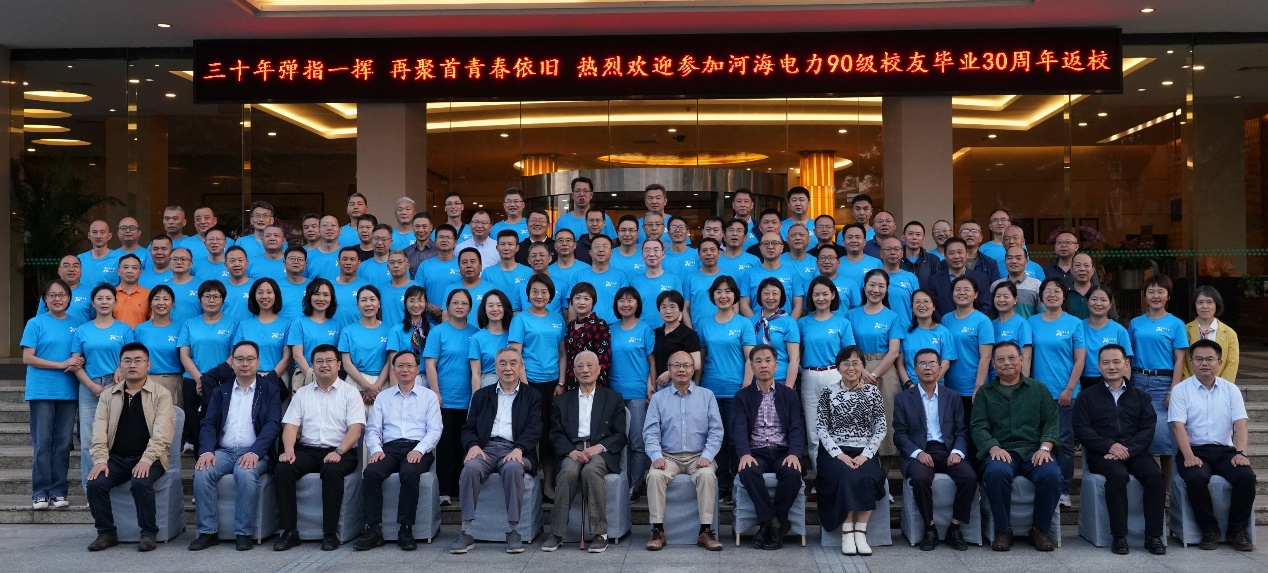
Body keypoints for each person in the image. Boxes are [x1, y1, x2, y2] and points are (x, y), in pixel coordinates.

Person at [81, 342, 175, 555]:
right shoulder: (108, 395)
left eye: (138, 361)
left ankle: (148, 533)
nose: (132, 365)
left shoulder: (161, 394)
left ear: (148, 365)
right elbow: (99, 430)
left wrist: (147, 460)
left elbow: (162, 434)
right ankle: (106, 533)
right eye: (127, 361)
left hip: (151, 457)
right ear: (120, 365)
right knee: (95, 483)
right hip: (116, 457)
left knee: (140, 482)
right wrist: (100, 460)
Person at [1072, 344, 1166, 556]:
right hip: (1102, 453)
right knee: (1117, 475)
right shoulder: (1086, 396)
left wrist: (1127, 449)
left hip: (1135, 451)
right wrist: (1109, 446)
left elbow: (1147, 429)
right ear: (1099, 366)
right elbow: (1082, 429)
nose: (1111, 367)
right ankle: (1119, 536)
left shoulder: (1141, 396)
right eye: (1106, 363)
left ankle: (1154, 536)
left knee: (1154, 475)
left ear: (1126, 364)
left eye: (1116, 362)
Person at [189, 341, 283, 552]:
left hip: (255, 452)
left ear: (258, 362)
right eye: (239, 359)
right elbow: (208, 423)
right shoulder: (221, 391)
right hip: (224, 451)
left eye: (250, 359)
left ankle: (243, 533)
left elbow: (272, 425)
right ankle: (208, 532)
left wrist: (255, 452)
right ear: (231, 362)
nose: (245, 363)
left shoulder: (269, 390)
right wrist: (206, 451)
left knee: (246, 472)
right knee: (202, 471)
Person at [449, 348, 543, 555]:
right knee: (470, 468)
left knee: (513, 469)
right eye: (502, 363)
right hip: (485, 448)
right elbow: (468, 428)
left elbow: (534, 429)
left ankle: (513, 531)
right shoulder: (482, 395)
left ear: (521, 367)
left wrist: (519, 448)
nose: (507, 368)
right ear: (495, 367)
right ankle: (466, 531)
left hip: (516, 449)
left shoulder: (532, 396)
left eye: (513, 363)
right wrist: (473, 446)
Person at [273, 344, 366, 552]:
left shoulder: (350, 393)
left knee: (332, 471)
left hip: (341, 450)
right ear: (312, 366)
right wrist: (289, 450)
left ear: (339, 365)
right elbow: (290, 426)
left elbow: (355, 430)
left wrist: (339, 451)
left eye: (329, 361)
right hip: (307, 449)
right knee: (283, 468)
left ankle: (330, 533)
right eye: (319, 361)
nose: (324, 365)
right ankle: (289, 531)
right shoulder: (302, 394)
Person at [972, 341, 1061, 552]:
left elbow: (1051, 422)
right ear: (993, 364)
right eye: (1001, 359)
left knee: (1051, 474)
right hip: (1002, 451)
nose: (1007, 363)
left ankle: (1040, 530)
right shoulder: (985, 392)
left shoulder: (1038, 389)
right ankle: (1003, 531)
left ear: (1021, 360)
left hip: (1034, 450)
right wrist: (993, 448)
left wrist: (1045, 447)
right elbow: (977, 426)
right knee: (996, 472)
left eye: (1012, 357)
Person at [1170, 339, 1256, 551]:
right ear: (1191, 362)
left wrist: (1241, 452)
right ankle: (1209, 529)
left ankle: (1237, 530)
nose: (1204, 363)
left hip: (1225, 451)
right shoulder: (1181, 390)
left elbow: (1241, 423)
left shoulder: (1231, 390)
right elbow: (1177, 426)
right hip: (1194, 450)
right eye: (1198, 359)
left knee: (1246, 477)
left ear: (1219, 362)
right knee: (1196, 477)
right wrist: (1188, 455)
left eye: (1209, 359)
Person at [353, 350, 443, 552]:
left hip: (418, 447)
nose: (405, 369)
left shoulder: (428, 396)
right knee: (371, 472)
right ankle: (373, 530)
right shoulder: (383, 397)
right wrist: (376, 450)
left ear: (417, 369)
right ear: (393, 369)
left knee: (409, 472)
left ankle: (406, 529)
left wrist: (419, 450)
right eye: (400, 366)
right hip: (390, 449)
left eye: (410, 366)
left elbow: (435, 429)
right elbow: (373, 429)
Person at [539, 351, 628, 553]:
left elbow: (620, 435)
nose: (585, 370)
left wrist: (598, 448)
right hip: (572, 450)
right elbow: (555, 434)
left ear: (599, 369)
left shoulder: (613, 398)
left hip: (600, 451)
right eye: (580, 366)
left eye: (590, 365)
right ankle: (556, 533)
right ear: (573, 371)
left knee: (591, 471)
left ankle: (600, 533)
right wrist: (570, 451)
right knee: (568, 472)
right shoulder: (562, 401)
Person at [892, 348, 976, 552]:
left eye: (932, 364)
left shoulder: (952, 396)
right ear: (914, 370)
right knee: (920, 478)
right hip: (920, 450)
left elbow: (961, 430)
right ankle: (929, 528)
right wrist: (917, 453)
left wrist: (957, 452)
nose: (927, 368)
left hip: (947, 450)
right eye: (922, 364)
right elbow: (899, 434)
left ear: (940, 369)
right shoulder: (903, 399)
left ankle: (955, 527)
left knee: (970, 477)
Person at [643, 350, 725, 551]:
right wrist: (656, 456)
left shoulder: (707, 396)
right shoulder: (658, 398)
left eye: (686, 365)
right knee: (654, 476)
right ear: (668, 369)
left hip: (698, 456)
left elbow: (716, 431)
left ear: (693, 369)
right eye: (676, 365)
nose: (681, 369)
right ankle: (657, 531)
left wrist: (707, 456)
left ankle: (705, 531)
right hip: (668, 457)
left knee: (706, 475)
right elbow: (650, 432)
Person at [733, 345, 805, 550]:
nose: (763, 365)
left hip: (783, 451)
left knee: (792, 473)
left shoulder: (789, 395)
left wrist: (794, 453)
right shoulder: (742, 396)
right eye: (758, 361)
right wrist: (744, 454)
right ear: (751, 366)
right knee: (748, 471)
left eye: (768, 360)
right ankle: (775, 523)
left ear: (776, 365)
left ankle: (770, 523)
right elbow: (739, 429)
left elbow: (797, 427)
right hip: (756, 452)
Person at [817, 346, 888, 557]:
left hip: (864, 449)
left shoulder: (872, 392)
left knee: (868, 475)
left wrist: (866, 454)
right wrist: (839, 454)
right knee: (845, 475)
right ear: (838, 367)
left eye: (856, 363)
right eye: (846, 363)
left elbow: (881, 427)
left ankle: (860, 532)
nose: (851, 368)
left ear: (863, 367)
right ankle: (847, 532)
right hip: (835, 450)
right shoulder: (828, 392)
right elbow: (821, 428)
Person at [22, 279, 83, 510]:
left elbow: (82, 352)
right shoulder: (35, 323)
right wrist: (61, 364)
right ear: (45, 300)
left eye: (62, 295)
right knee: (43, 442)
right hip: (42, 390)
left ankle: (58, 491)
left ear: (69, 299)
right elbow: (28, 357)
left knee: (63, 443)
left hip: (68, 390)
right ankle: (40, 492)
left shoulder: (78, 324)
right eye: (52, 295)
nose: (57, 299)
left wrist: (79, 360)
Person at [508, 274, 568, 500]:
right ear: (528, 294)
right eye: (534, 291)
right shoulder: (520, 319)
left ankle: (549, 484)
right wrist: (524, 384)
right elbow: (515, 354)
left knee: (550, 435)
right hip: (529, 381)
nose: (539, 296)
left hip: (553, 383)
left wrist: (561, 382)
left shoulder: (557, 319)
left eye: (544, 292)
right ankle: (529, 484)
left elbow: (563, 353)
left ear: (551, 295)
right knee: (532, 433)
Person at [71, 284, 135, 493]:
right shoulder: (82, 330)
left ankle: (114, 488)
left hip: (119, 385)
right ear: (93, 303)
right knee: (88, 439)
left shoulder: (124, 329)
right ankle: (91, 489)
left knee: (118, 436)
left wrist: (117, 375)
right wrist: (93, 387)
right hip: (89, 385)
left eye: (109, 298)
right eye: (100, 298)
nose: (104, 302)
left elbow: (131, 359)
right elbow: (75, 363)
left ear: (115, 302)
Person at [1127, 273, 1188, 492]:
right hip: (1138, 380)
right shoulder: (1135, 323)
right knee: (1139, 436)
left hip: (1163, 383)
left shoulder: (1176, 324)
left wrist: (1174, 390)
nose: (1155, 295)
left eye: (1160, 291)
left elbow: (1180, 359)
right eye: (1151, 291)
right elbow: (1128, 356)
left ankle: (1166, 492)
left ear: (1168, 296)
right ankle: (1146, 490)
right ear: (1144, 295)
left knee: (1164, 441)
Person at [698, 275, 756, 502]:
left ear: (735, 296)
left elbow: (750, 358)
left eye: (728, 291)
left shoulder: (744, 323)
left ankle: (737, 483)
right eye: (719, 291)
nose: (723, 296)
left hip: (736, 390)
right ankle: (721, 485)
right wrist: (697, 386)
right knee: (716, 440)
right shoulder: (704, 323)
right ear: (713, 296)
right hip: (710, 389)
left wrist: (745, 387)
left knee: (734, 438)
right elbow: (701, 359)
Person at [1028, 278, 1085, 506]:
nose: (1052, 294)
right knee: (1038, 441)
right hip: (1038, 394)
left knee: (1064, 444)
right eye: (1047, 291)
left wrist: (1069, 389)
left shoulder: (1074, 323)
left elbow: (1080, 359)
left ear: (1064, 296)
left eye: (1057, 291)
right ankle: (1043, 485)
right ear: (1041, 296)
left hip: (1066, 393)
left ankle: (1063, 490)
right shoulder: (1031, 322)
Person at [423, 289, 479, 504]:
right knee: (445, 446)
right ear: (448, 306)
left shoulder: (476, 333)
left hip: (469, 399)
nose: (459, 307)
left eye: (464, 303)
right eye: (455, 303)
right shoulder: (438, 332)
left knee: (463, 445)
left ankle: (462, 490)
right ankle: (444, 490)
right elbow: (430, 364)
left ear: (470, 307)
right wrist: (436, 392)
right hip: (444, 399)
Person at [797, 277, 854, 472]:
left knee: (839, 429)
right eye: (816, 295)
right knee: (814, 433)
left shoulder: (842, 323)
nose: (820, 298)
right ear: (811, 297)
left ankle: (840, 475)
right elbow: (797, 353)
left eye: (824, 294)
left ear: (833, 295)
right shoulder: (802, 323)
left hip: (835, 376)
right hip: (810, 377)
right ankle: (821, 479)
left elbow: (849, 354)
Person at [847, 269, 904, 458]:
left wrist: (874, 374)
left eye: (881, 286)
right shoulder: (851, 315)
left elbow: (894, 351)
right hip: (855, 369)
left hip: (885, 371)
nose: (876, 290)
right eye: (872, 285)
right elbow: (848, 346)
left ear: (886, 289)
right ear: (864, 287)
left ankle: (884, 470)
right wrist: (860, 370)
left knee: (886, 419)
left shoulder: (893, 316)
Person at [608, 287, 656, 501]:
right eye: (621, 300)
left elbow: (651, 361)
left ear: (637, 304)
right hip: (613, 394)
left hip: (637, 393)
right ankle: (620, 483)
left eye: (630, 300)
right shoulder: (610, 329)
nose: (626, 304)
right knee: (617, 441)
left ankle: (636, 484)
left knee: (637, 441)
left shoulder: (645, 329)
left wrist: (651, 385)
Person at [177, 280, 234, 452]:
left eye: (216, 296)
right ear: (200, 300)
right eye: (207, 296)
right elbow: (184, 355)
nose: (211, 300)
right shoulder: (189, 324)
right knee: (196, 422)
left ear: (223, 300)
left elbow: (235, 355)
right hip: (193, 380)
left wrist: (212, 379)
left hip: (223, 380)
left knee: (222, 421)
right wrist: (201, 380)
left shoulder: (234, 323)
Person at [940, 276, 996, 434]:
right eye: (957, 289)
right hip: (949, 386)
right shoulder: (946, 319)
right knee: (952, 431)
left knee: (972, 431)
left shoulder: (982, 321)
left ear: (976, 294)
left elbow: (986, 357)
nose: (962, 293)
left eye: (966, 289)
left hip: (971, 387)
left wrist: (978, 387)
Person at [339, 285, 393, 405]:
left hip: (382, 384)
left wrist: (376, 387)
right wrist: (367, 387)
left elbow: (390, 362)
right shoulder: (347, 331)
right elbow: (346, 363)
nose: (368, 304)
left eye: (372, 299)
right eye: (363, 300)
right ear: (358, 305)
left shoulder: (390, 330)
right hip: (355, 382)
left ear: (379, 303)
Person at [133, 285, 183, 408]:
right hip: (146, 381)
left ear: (173, 303)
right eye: (156, 299)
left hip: (173, 381)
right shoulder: (140, 329)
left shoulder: (181, 328)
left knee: (172, 418)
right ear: (150, 303)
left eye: (166, 299)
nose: (161, 303)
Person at [234, 278, 293, 380]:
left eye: (269, 292)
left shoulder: (286, 324)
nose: (264, 296)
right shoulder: (244, 325)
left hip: (277, 377)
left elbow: (287, 357)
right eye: (260, 293)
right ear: (254, 296)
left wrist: (270, 379)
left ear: (276, 295)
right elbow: (236, 355)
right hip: (248, 378)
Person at [287, 279, 340, 389]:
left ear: (331, 298)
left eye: (326, 295)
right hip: (304, 375)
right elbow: (297, 354)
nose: (321, 298)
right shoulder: (299, 323)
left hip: (330, 377)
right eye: (316, 294)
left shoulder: (336, 325)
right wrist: (312, 375)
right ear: (309, 296)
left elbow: (338, 356)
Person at [566, 235, 629, 325]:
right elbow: (572, 305)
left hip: (614, 327)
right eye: (597, 246)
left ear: (611, 252)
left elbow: (625, 304)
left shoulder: (621, 276)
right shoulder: (579, 275)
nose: (601, 250)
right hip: (585, 327)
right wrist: (572, 328)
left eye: (605, 246)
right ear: (590, 252)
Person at [750, 278, 801, 389]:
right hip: (756, 381)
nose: (770, 297)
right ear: (759, 296)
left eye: (775, 293)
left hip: (781, 380)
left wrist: (788, 388)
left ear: (781, 296)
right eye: (766, 293)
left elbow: (794, 358)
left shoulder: (789, 322)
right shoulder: (750, 321)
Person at [898, 290, 956, 387]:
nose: (921, 305)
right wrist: (909, 384)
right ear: (912, 306)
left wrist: (929, 384)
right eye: (917, 302)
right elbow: (900, 363)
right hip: (910, 387)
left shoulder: (943, 332)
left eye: (926, 301)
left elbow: (946, 363)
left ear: (934, 307)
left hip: (936, 386)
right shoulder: (905, 332)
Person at [1081, 286, 1134, 390]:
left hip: (1112, 380)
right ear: (1087, 302)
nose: (1098, 303)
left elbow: (1126, 363)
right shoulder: (1078, 327)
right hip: (1082, 380)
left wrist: (1124, 390)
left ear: (1110, 305)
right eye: (1094, 299)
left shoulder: (1119, 330)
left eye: (1103, 300)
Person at [1183, 285, 1239, 382]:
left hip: (1220, 386)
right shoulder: (1184, 330)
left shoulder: (1229, 333)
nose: (1205, 306)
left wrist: (1221, 386)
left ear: (1216, 305)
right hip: (1190, 386)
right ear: (1194, 305)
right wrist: (1189, 384)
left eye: (1209, 302)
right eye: (1200, 302)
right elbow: (1181, 361)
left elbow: (1232, 363)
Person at [741, 232, 804, 318]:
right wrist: (757, 323)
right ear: (760, 248)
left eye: (775, 243)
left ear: (782, 248)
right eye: (766, 243)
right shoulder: (749, 273)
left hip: (785, 324)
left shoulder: (793, 273)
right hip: (757, 324)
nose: (770, 246)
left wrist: (789, 323)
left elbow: (798, 306)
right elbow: (744, 305)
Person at [564, 281, 613, 392]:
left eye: (586, 299)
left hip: (593, 383)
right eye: (577, 298)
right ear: (571, 301)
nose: (581, 302)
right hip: (572, 381)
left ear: (593, 302)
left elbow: (604, 360)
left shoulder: (599, 324)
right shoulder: (571, 326)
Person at [927, 237, 992, 317]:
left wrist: (971, 322)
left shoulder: (981, 278)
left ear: (967, 254)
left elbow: (985, 306)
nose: (956, 256)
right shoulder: (934, 280)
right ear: (945, 256)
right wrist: (944, 322)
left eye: (960, 252)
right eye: (951, 253)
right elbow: (931, 307)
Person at [630, 238, 684, 329]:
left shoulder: (674, 279)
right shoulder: (634, 282)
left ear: (663, 254)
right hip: (642, 330)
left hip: (667, 331)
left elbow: (680, 308)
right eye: (647, 250)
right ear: (642, 255)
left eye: (656, 250)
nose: (651, 254)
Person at [388, 285, 430, 386]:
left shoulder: (433, 330)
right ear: (405, 304)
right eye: (411, 301)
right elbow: (393, 363)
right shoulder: (396, 330)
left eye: (420, 300)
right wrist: (394, 389)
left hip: (428, 379)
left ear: (426, 304)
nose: (416, 305)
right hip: (404, 379)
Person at [470, 289, 512, 390]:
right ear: (484, 309)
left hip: (512, 383)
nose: (495, 309)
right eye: (490, 305)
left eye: (499, 305)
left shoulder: (513, 336)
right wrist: (476, 396)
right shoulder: (477, 338)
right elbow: (476, 374)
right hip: (488, 384)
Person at [417, 225, 460, 323]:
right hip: (428, 321)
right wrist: (429, 308)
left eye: (448, 237)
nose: (444, 240)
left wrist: (443, 309)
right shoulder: (424, 265)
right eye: (441, 237)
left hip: (456, 319)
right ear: (435, 241)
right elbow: (417, 292)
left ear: (455, 242)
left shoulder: (461, 264)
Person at [990, 281, 1033, 379]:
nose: (1001, 300)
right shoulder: (991, 324)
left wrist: (1023, 383)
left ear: (1015, 299)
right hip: (993, 380)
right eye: (998, 296)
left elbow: (1026, 357)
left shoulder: (1022, 323)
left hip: (1013, 379)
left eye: (1006, 296)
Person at [989, 246, 1042, 319]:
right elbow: (991, 313)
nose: (1014, 261)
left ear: (1026, 262)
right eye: (1010, 258)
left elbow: (1042, 314)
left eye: (1018, 258)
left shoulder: (1036, 286)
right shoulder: (996, 285)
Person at [879, 236, 920, 325]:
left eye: (896, 249)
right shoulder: (873, 277)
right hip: (880, 329)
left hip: (905, 329)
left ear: (902, 253)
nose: (893, 252)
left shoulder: (911, 278)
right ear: (881, 253)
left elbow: (917, 306)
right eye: (888, 249)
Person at [685, 238, 725, 328]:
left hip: (724, 330)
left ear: (719, 253)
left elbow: (734, 306)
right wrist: (690, 332)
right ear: (699, 255)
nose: (709, 253)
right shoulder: (690, 278)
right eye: (704, 250)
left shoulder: (727, 277)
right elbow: (685, 308)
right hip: (698, 331)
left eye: (712, 250)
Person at [956, 219, 1001, 287]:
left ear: (981, 238)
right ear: (959, 236)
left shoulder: (990, 263)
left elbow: (995, 289)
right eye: (965, 231)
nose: (970, 234)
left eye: (974, 231)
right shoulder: (948, 262)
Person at [80, 219, 122, 287]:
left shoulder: (119, 259)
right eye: (94, 232)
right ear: (89, 235)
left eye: (102, 232)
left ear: (109, 236)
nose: (98, 236)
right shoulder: (80, 259)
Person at [900, 221, 940, 289]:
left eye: (918, 234)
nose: (914, 237)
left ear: (923, 238)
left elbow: (937, 286)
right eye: (910, 234)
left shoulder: (932, 260)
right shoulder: (896, 259)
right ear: (903, 237)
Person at [113, 255, 149, 327]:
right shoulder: (110, 294)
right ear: (118, 271)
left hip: (139, 334)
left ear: (140, 272)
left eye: (134, 268)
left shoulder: (148, 294)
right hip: (115, 333)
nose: (130, 271)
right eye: (126, 267)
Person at [308, 216, 344, 281]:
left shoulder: (347, 255)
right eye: (325, 225)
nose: (329, 228)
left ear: (340, 230)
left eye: (333, 225)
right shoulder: (308, 256)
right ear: (318, 230)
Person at [1066, 252, 1098, 320]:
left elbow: (1112, 319)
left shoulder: (1102, 293)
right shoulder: (1063, 294)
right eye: (1077, 265)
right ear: (1071, 270)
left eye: (1086, 265)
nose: (1082, 269)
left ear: (1093, 270)